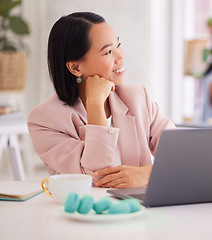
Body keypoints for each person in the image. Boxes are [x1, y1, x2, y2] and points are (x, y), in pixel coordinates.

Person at [27, 12, 175, 189]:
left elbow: (183, 156)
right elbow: (96, 178)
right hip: (86, 212)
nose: (120, 57)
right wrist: (95, 104)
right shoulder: (45, 120)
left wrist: (148, 174)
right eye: (108, 52)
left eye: (118, 45)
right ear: (75, 67)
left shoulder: (137, 98)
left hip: (141, 210)